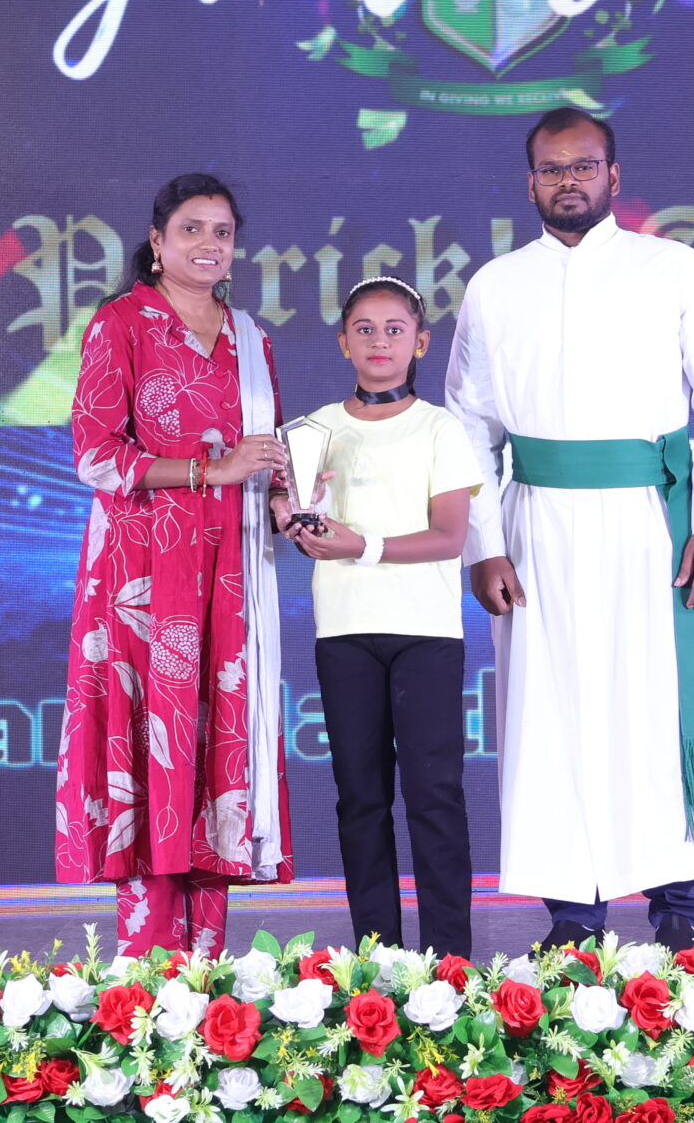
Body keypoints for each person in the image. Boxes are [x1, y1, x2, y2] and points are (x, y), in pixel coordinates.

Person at [444, 106, 694, 950]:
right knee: (548, 711)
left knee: (655, 703)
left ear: (613, 176)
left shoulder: (671, 267)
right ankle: (572, 916)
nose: (568, 180)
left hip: (654, 526)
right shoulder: (496, 285)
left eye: (584, 166)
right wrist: (484, 543)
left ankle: (680, 907)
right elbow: (468, 423)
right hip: (536, 525)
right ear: (530, 183)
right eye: (552, 168)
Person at [55, 173, 293, 956]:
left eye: (222, 231)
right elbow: (95, 454)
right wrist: (207, 470)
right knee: (152, 746)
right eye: (192, 229)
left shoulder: (251, 339)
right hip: (143, 574)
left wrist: (289, 496)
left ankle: (206, 974)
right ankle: (148, 969)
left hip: (230, 570)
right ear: (158, 242)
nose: (209, 244)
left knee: (215, 751)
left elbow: (268, 453)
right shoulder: (121, 323)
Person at [278, 276, 486, 958]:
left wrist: (359, 545)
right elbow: (294, 517)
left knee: (434, 795)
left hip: (426, 632)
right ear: (343, 342)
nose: (379, 341)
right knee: (359, 798)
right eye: (364, 329)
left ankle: (450, 961)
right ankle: (377, 958)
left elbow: (449, 537)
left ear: (420, 342)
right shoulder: (310, 431)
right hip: (344, 631)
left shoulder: (439, 427)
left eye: (395, 329)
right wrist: (294, 517)